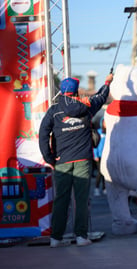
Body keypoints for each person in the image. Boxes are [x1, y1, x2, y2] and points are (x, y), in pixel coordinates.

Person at [39, 74, 113, 247]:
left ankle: (55, 238)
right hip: (83, 160)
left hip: (61, 161)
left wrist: (50, 158)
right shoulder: (86, 106)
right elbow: (101, 97)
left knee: (61, 199)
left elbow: (43, 136)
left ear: (61, 92)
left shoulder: (54, 111)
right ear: (75, 91)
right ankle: (81, 236)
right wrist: (107, 81)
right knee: (81, 199)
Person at [93, 118, 106, 196]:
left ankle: (105, 188)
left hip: (106, 156)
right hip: (99, 156)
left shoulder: (108, 133)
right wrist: (95, 155)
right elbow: (95, 144)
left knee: (105, 173)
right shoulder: (99, 131)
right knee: (100, 172)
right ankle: (97, 188)